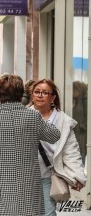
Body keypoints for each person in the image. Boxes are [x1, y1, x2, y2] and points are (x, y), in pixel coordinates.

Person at [0, 74, 61, 216]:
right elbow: (54, 135)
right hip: (29, 192)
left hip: (0, 190)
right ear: (22, 94)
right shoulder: (33, 116)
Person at [30, 79, 86, 215]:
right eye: (37, 92)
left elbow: (71, 151)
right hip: (26, 176)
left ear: (53, 98)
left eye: (45, 92)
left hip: (48, 175)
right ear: (32, 95)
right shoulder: (25, 116)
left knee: (48, 213)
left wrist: (77, 175)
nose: (40, 95)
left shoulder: (63, 121)